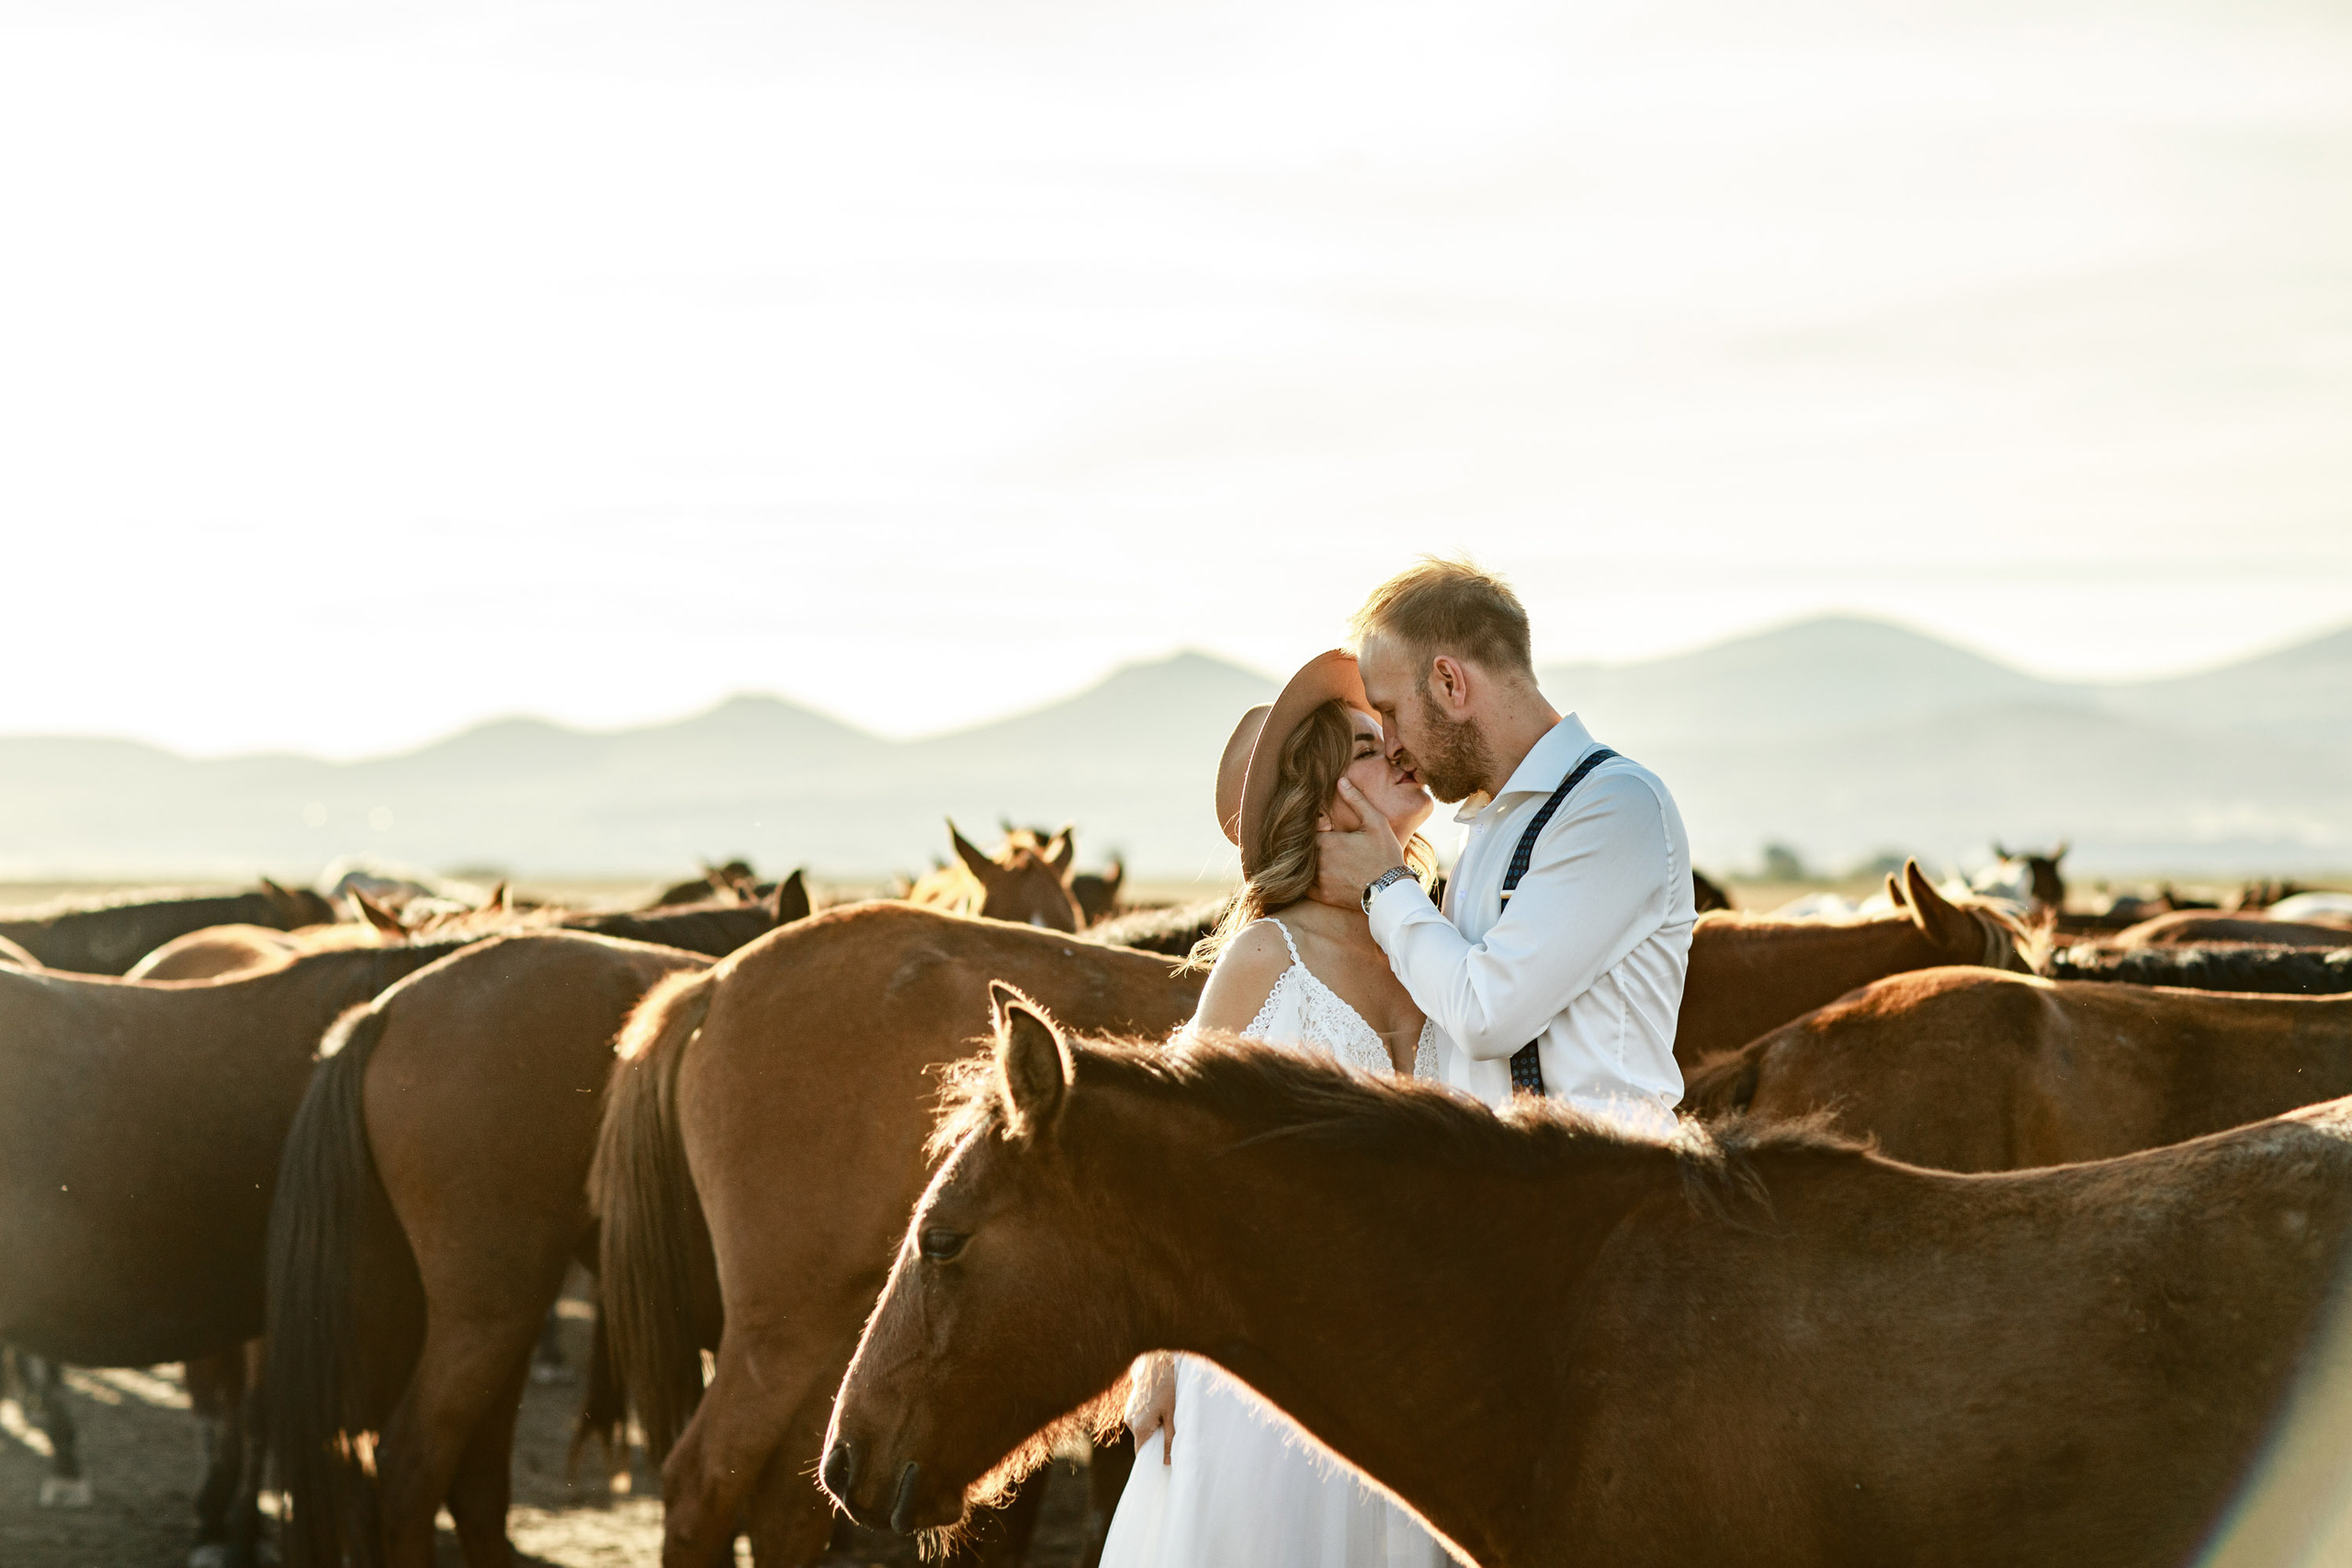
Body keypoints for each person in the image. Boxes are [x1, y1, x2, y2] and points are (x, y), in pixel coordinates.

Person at [1098, 649, 1453, 1568]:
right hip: (1267, 1385)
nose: (1404, 754)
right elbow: (1171, 1160)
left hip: (1414, 1366)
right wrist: (1158, 1362)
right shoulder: (1265, 956)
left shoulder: (1434, 940)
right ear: (1327, 799)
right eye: (1372, 748)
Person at [1312, 558, 1694, 1131]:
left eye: (1390, 711)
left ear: (1450, 683)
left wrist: (1386, 885)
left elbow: (1486, 1016)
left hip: (1608, 1197)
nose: (1390, 744)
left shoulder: (1618, 806)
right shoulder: (1490, 829)